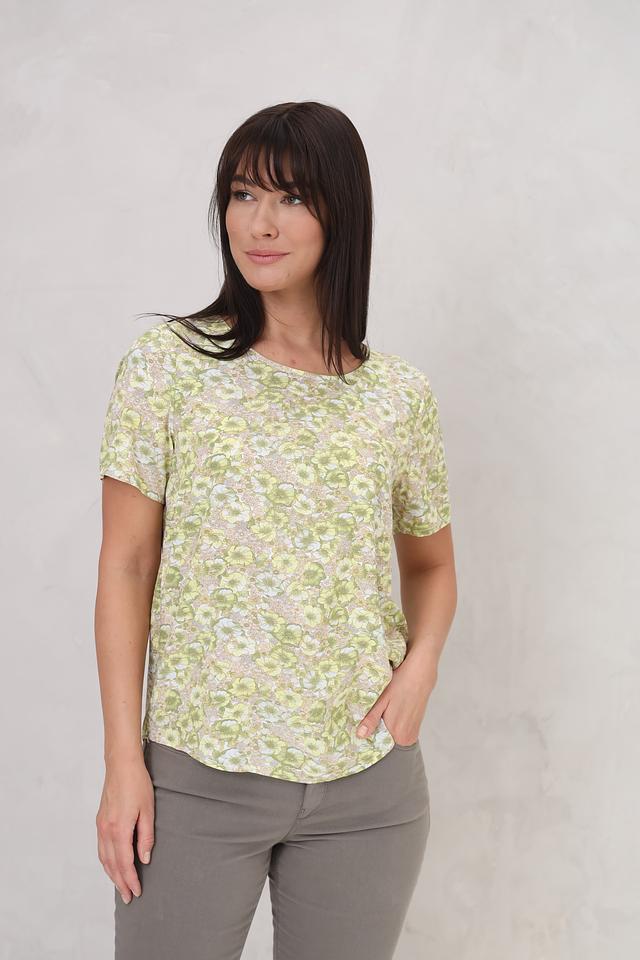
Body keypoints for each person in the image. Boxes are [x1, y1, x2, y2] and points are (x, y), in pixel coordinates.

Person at [95, 100, 457, 960]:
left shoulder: (397, 396)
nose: (259, 223)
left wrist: (421, 667)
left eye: (292, 198)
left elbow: (433, 565)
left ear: (342, 213)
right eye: (243, 193)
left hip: (369, 788)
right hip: (197, 777)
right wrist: (123, 763)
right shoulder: (169, 367)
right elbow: (126, 566)